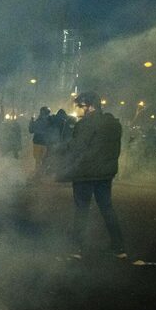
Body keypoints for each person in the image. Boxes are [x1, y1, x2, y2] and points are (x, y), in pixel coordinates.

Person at [59, 92, 125, 259]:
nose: (77, 109)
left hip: (85, 173)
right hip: (105, 174)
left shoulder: (85, 125)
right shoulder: (113, 124)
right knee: (107, 208)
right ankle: (119, 247)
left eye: (80, 106)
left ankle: (76, 248)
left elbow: (76, 148)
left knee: (82, 209)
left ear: (90, 106)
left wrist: (64, 144)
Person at [28, 106, 51, 172]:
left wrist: (32, 121)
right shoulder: (50, 121)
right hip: (45, 143)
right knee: (44, 159)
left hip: (37, 142)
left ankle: (37, 172)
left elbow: (31, 130)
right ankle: (42, 172)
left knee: (38, 160)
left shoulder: (38, 121)